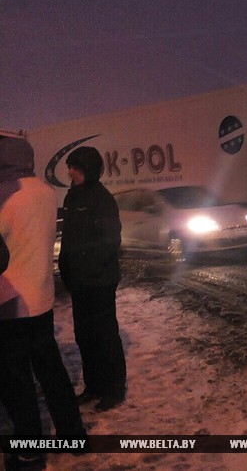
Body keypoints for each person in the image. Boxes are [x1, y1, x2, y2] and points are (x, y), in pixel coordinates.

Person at [0, 135, 86, 470]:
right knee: (51, 370)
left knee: (16, 381)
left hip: (10, 303)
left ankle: (29, 450)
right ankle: (73, 433)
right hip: (42, 297)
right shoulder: (47, 193)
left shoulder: (6, 194)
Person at [58, 146, 127, 412]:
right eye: (69, 166)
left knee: (105, 335)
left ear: (87, 168)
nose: (69, 172)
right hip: (79, 282)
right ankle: (94, 386)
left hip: (99, 281)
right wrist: (67, 269)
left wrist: (88, 269)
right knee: (84, 335)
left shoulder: (102, 199)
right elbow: (69, 238)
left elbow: (111, 242)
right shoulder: (73, 197)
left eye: (74, 166)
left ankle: (114, 388)